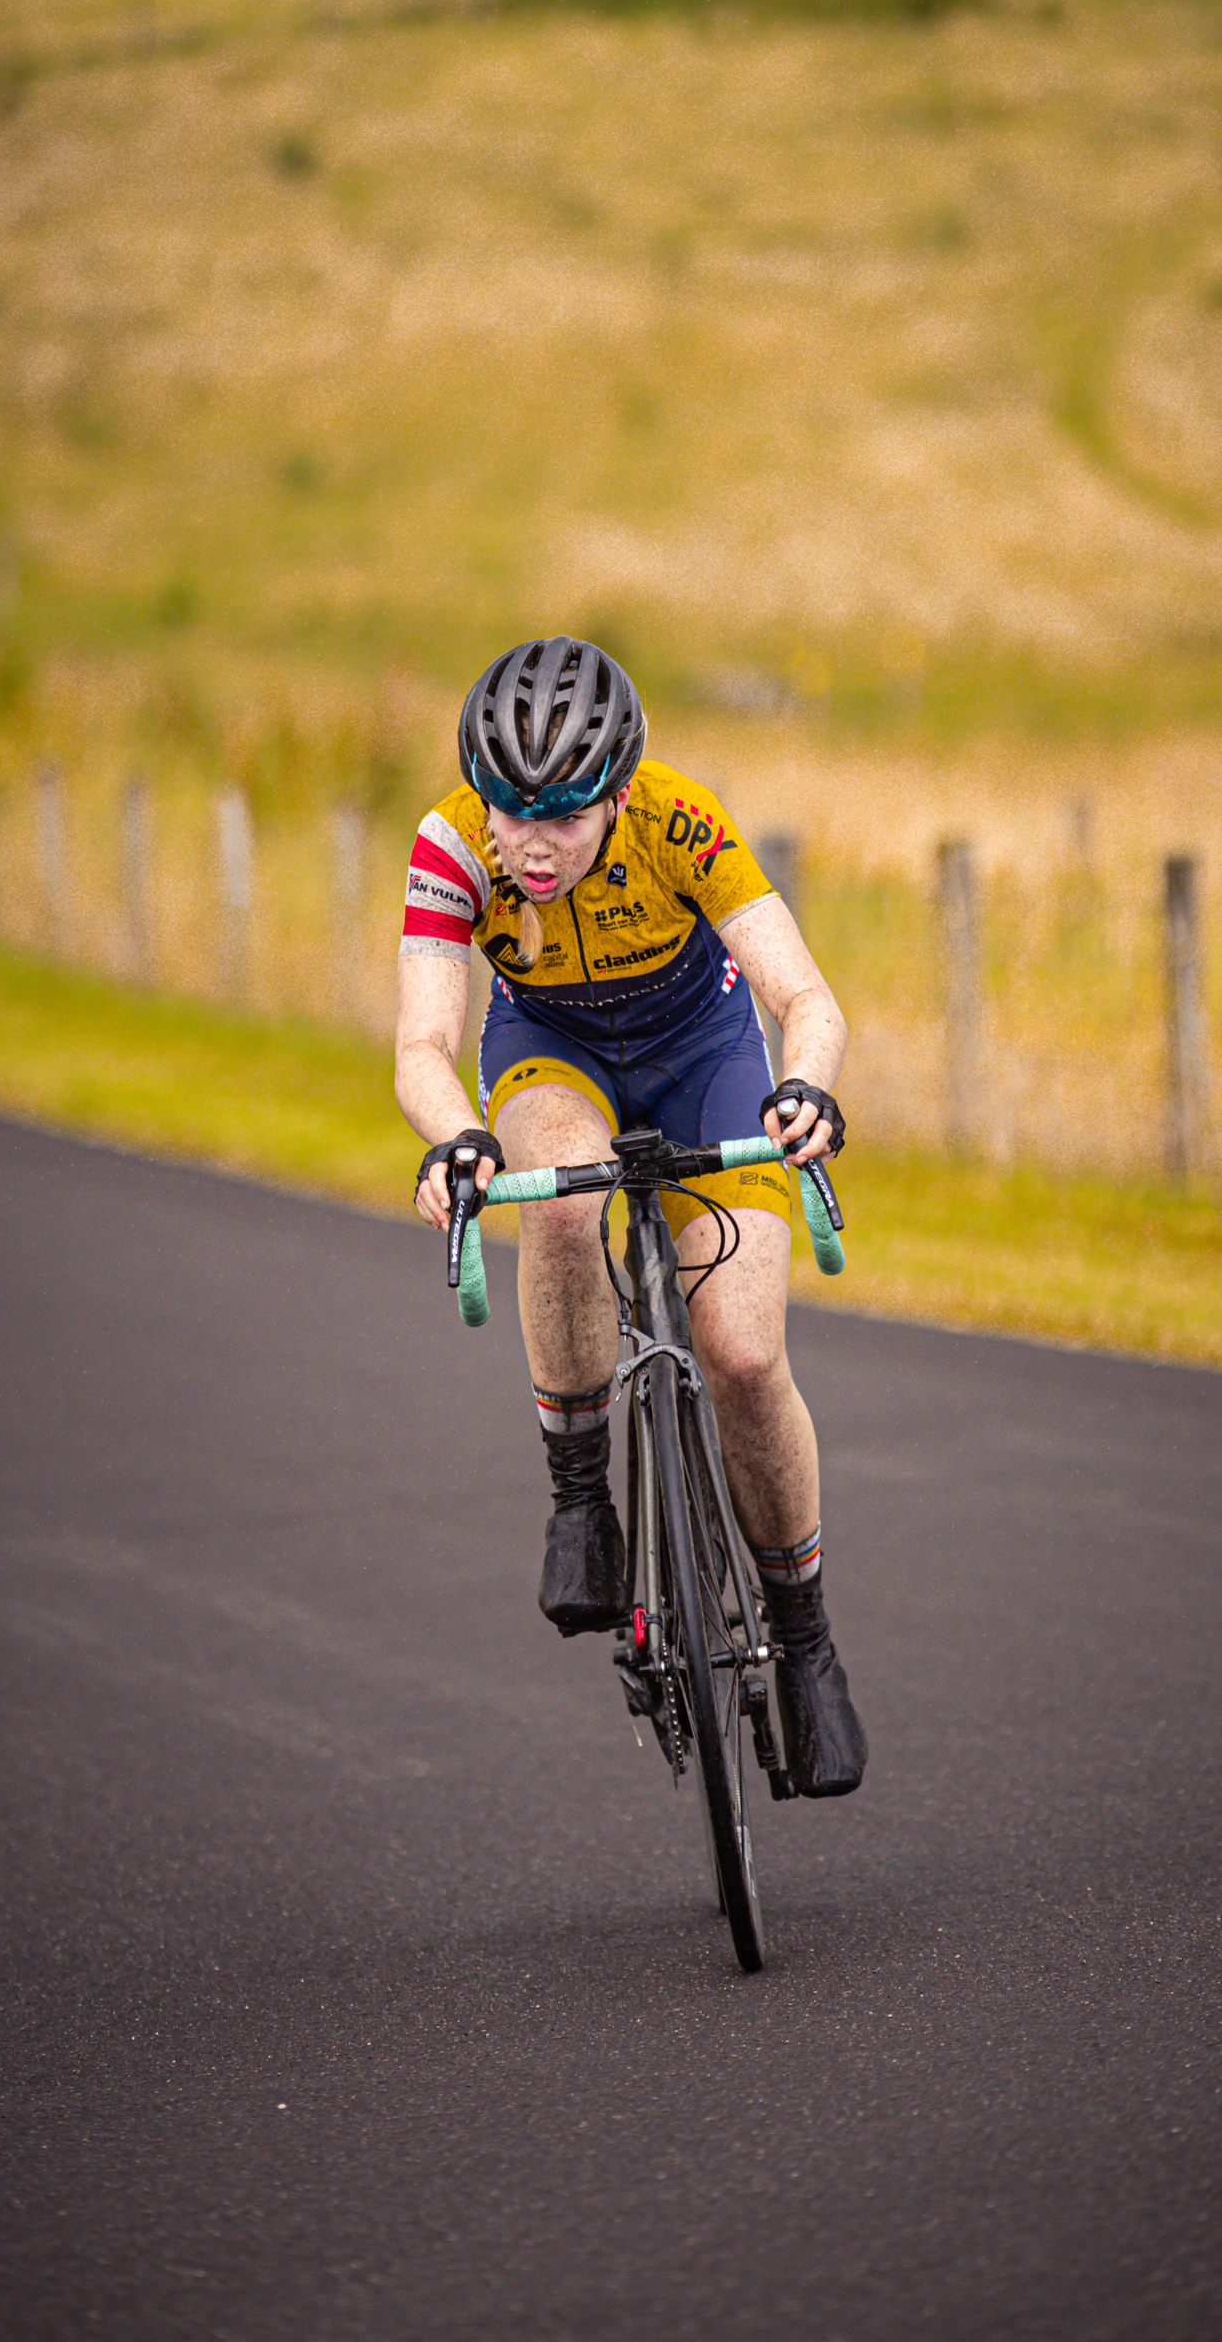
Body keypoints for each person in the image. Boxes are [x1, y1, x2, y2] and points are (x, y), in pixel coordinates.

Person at [393, 636, 866, 1798]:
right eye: (511, 810)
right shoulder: (453, 846)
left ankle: (802, 1636)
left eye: (560, 814)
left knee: (745, 1355)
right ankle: (577, 1496)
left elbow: (801, 994)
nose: (530, 842)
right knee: (557, 1207)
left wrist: (802, 1085)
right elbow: (420, 1044)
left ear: (615, 794)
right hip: (549, 1048)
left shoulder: (680, 821)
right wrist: (455, 1136)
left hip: (697, 1047)